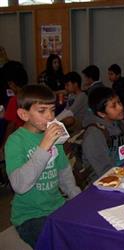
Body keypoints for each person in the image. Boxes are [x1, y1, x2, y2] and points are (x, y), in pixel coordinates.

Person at [4, 84, 81, 248]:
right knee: (57, 244)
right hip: (29, 216)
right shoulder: (15, 142)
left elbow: (64, 175)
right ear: (24, 114)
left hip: (57, 206)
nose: (50, 116)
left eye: (52, 110)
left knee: (85, 234)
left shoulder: (53, 137)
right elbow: (19, 186)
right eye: (42, 111)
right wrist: (44, 147)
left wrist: (78, 201)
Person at [82, 87, 124, 178]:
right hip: (102, 182)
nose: (120, 108)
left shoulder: (122, 124)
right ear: (101, 113)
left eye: (119, 102)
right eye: (113, 106)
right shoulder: (94, 134)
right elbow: (104, 170)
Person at [0, 61, 28, 152]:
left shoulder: (14, 100)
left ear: (11, 84)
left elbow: (10, 125)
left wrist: (4, 145)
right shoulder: (31, 96)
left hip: (18, 139)